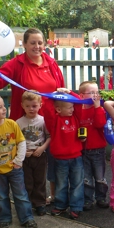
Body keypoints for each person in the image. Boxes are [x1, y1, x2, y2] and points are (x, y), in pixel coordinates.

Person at [0, 27, 65, 204]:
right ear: (24, 44)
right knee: (26, 163)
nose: (37, 46)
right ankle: (25, 201)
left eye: (40, 42)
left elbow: (60, 89)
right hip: (26, 124)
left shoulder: (51, 63)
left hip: (50, 121)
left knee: (53, 160)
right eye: (32, 42)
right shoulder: (17, 63)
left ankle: (53, 196)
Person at [0, 94, 38, 228]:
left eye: (4, 106)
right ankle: (5, 218)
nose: (4, 109)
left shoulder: (12, 124)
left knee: (21, 194)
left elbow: (22, 142)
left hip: (14, 168)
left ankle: (27, 218)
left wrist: (19, 160)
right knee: (0, 197)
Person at [43, 89, 84, 220]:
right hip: (60, 159)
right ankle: (61, 205)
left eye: (72, 107)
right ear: (59, 109)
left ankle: (76, 206)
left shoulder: (76, 117)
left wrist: (69, 92)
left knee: (77, 183)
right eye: (69, 107)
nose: (72, 109)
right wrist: (54, 95)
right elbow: (47, 108)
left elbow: (79, 102)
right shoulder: (53, 121)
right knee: (61, 183)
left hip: (76, 157)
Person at [16, 91, 50, 217]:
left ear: (40, 105)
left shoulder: (43, 120)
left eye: (34, 106)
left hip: (40, 155)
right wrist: (23, 152)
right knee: (27, 181)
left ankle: (40, 204)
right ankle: (27, 204)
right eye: (28, 106)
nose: (31, 109)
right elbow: (16, 141)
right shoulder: (18, 122)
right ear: (22, 106)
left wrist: (42, 149)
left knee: (40, 181)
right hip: (25, 156)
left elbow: (49, 136)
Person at [78, 81, 109, 211]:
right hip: (83, 151)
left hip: (98, 150)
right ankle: (88, 199)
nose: (96, 95)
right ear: (81, 95)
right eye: (92, 93)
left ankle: (101, 197)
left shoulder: (99, 109)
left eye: (97, 92)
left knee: (99, 177)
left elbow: (100, 124)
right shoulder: (78, 109)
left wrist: (97, 107)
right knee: (86, 178)